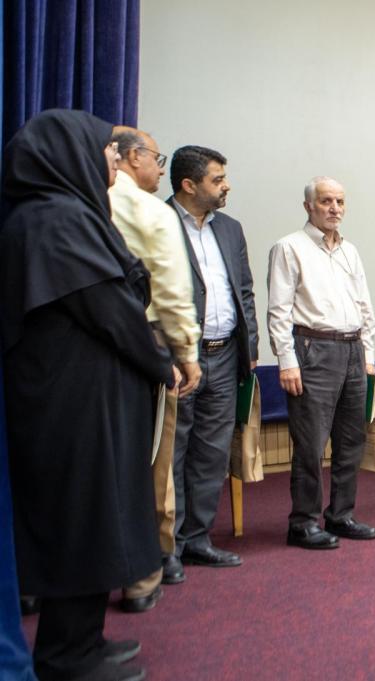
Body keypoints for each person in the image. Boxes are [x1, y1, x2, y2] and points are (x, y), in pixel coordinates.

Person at [2, 109, 172, 681]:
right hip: (72, 406)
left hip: (84, 398)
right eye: (106, 151)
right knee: (83, 520)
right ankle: (67, 657)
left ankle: (83, 639)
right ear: (69, 153)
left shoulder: (63, 215)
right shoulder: (56, 220)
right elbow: (113, 311)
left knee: (98, 518)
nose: (113, 162)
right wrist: (161, 361)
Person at [108, 127, 202, 613]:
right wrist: (186, 353)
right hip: (144, 348)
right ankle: (149, 568)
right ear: (131, 157)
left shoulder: (77, 204)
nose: (160, 169)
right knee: (151, 463)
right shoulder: (149, 211)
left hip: (77, 355)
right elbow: (169, 287)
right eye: (157, 159)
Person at [268, 177, 375, 549]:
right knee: (311, 444)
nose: (335, 208)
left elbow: (364, 306)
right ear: (308, 206)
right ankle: (302, 522)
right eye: (326, 201)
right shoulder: (289, 247)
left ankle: (341, 514)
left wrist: (368, 355)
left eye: (340, 202)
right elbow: (279, 310)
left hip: (353, 350)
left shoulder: (350, 251)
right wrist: (286, 360)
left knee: (351, 440)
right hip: (313, 349)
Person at [168, 145, 257, 569]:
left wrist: (250, 347)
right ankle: (166, 549)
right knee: (172, 454)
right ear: (189, 185)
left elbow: (245, 292)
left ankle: (197, 538)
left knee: (211, 453)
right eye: (217, 179)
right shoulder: (159, 222)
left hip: (225, 356)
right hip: (177, 359)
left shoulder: (230, 229)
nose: (226, 186)